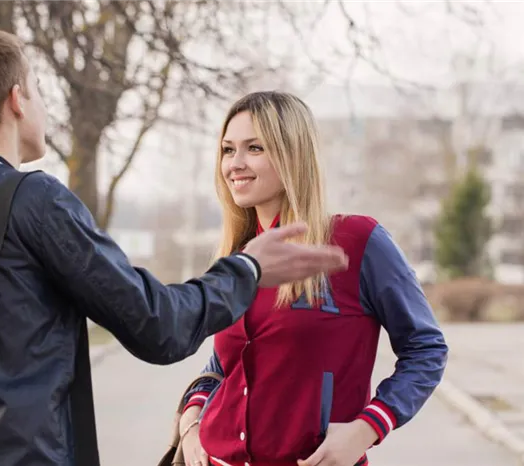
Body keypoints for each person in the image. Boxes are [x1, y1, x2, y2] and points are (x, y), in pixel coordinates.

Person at [0, 28, 349, 466]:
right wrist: (247, 269)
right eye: (40, 91)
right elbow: (158, 325)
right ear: (17, 99)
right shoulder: (32, 198)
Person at [176, 91, 449, 466]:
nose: (235, 164)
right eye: (227, 150)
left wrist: (367, 427)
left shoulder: (358, 242)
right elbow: (225, 363)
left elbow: (426, 348)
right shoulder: (239, 258)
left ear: (293, 154)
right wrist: (191, 422)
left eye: (254, 148)